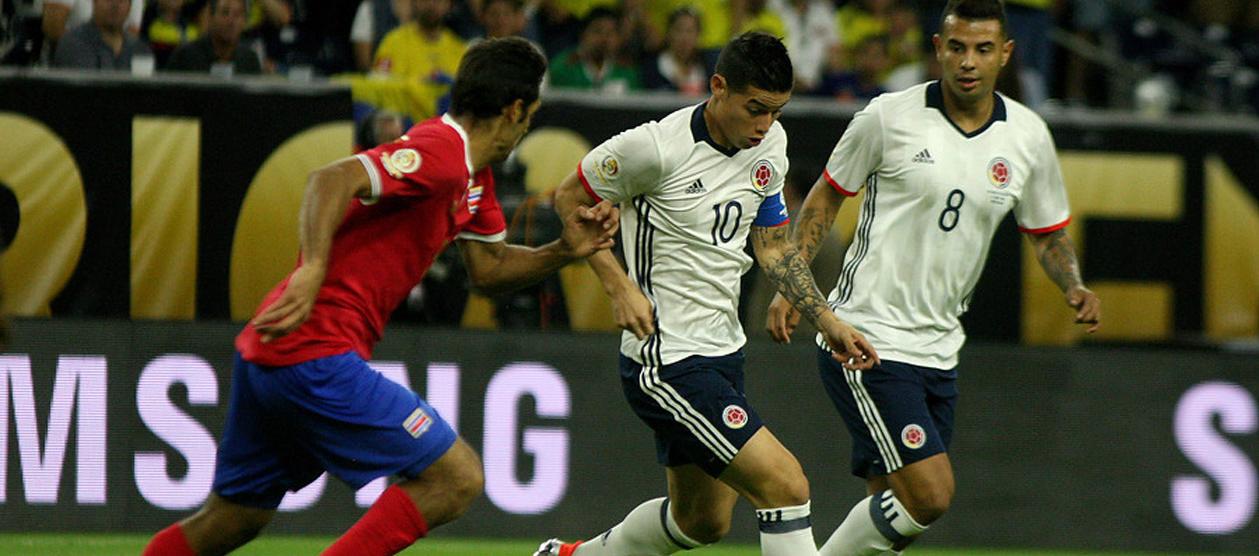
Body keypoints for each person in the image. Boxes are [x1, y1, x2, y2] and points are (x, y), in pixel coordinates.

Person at [140, 37, 619, 556]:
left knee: (235, 518)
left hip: (275, 351)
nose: (529, 125)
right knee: (456, 478)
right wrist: (314, 266)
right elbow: (332, 178)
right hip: (314, 350)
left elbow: (489, 268)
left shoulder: (472, 178)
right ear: (516, 109)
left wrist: (563, 251)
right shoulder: (441, 153)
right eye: (531, 113)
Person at [765, 1, 1102, 554]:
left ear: (1006, 55)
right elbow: (827, 197)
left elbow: (1045, 231)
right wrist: (793, 285)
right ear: (938, 49)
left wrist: (1073, 284)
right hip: (866, 335)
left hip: (940, 349)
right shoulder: (887, 117)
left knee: (891, 510)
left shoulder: (1027, 137)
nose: (969, 61)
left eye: (983, 49)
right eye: (958, 47)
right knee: (931, 494)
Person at [537, 32, 878, 556]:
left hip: (722, 352)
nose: (765, 125)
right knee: (785, 486)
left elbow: (773, 249)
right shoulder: (652, 149)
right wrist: (618, 284)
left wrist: (829, 322)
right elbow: (566, 198)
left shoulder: (771, 147)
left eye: (777, 112)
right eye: (755, 109)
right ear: (718, 87)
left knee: (701, 520)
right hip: (666, 357)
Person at [165, 0, 262, 75]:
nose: (231, 21)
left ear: (245, 21)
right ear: (211, 17)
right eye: (225, 13)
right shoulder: (185, 57)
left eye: (237, 15)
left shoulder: (249, 60)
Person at [52, 0, 150, 70]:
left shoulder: (140, 49)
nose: (115, 5)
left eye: (121, 1)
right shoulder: (73, 44)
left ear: (130, 7)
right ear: (94, 2)